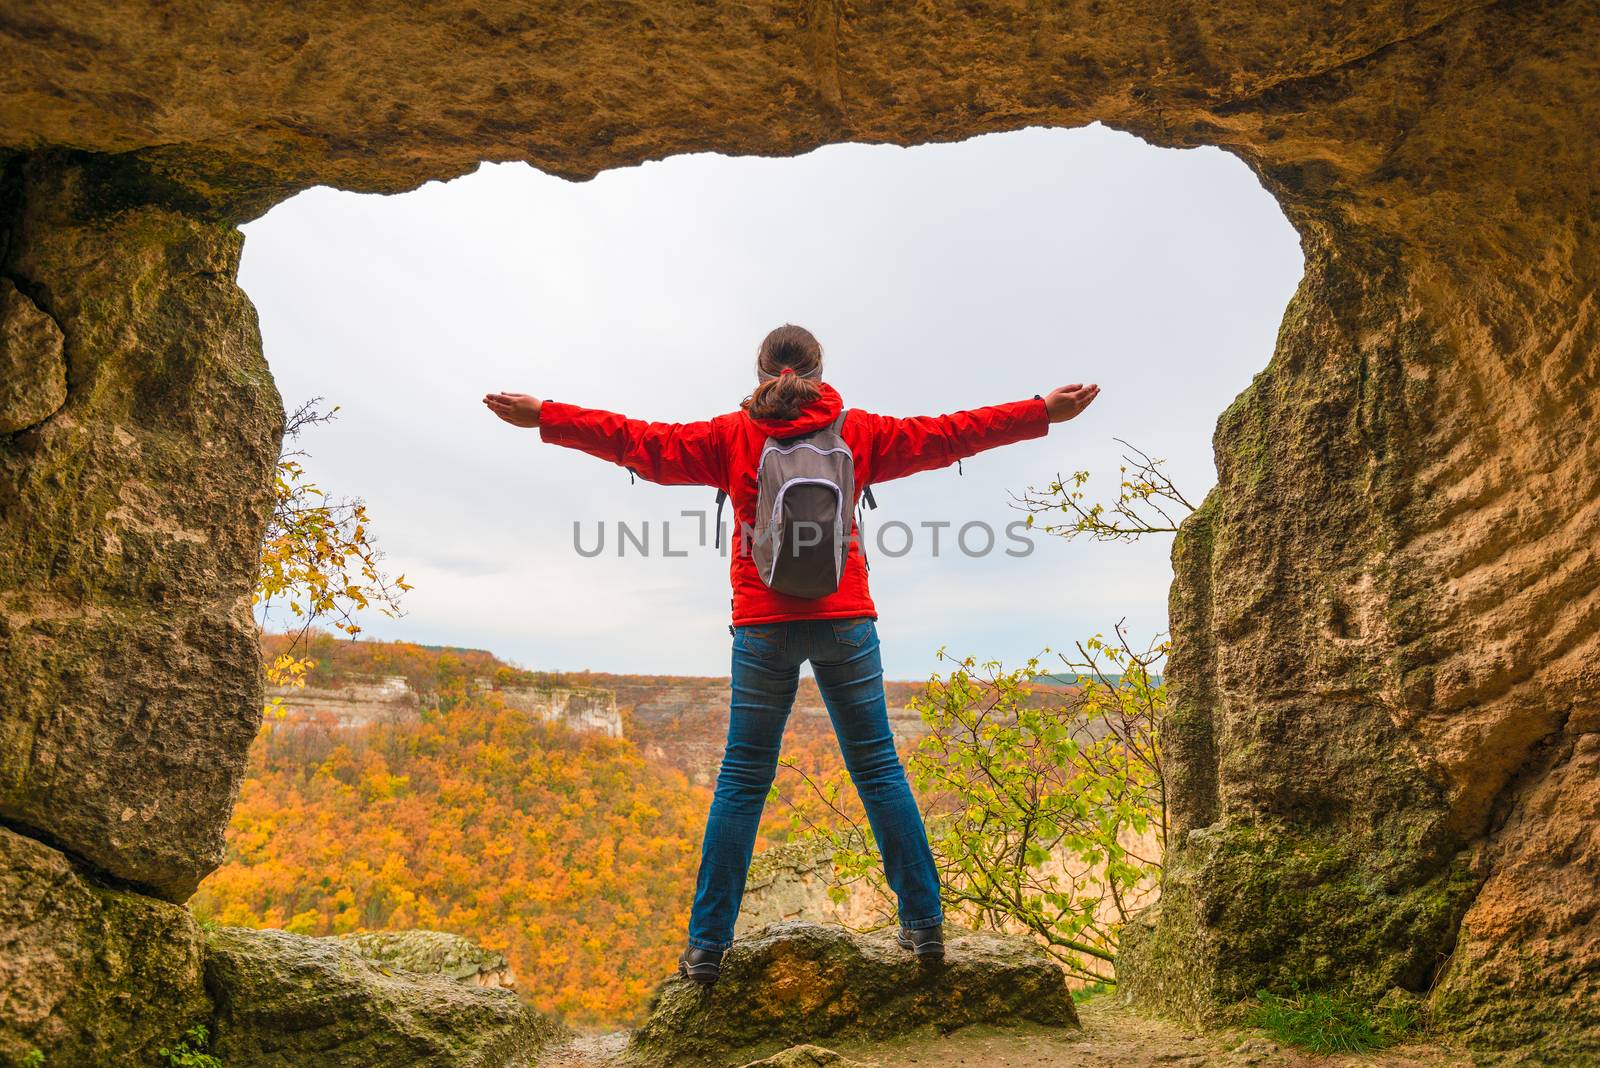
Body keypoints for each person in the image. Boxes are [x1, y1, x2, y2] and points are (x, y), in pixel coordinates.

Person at [483, 324, 1098, 984]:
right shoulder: (857, 431)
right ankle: (924, 930)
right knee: (879, 770)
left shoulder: (729, 435)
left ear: (760, 371)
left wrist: (545, 416)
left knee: (742, 781)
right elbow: (952, 432)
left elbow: (639, 441)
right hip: (845, 619)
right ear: (818, 370)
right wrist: (1042, 412)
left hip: (762, 624)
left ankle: (706, 950)